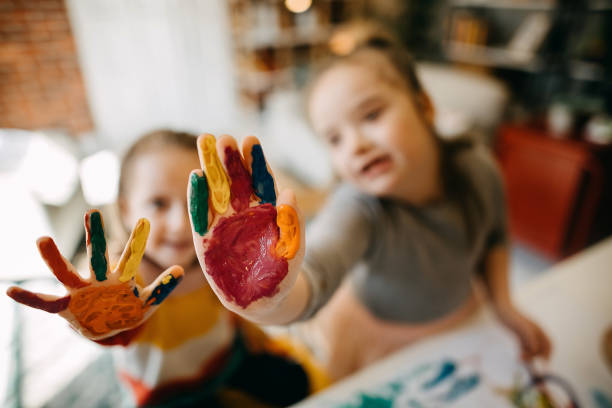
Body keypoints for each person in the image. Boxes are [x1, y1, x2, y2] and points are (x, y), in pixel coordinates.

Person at [187, 32, 552, 382]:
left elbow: (495, 237)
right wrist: (271, 300)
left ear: (423, 104)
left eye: (371, 115)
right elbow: (316, 271)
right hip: (379, 338)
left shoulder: (477, 166)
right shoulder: (359, 207)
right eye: (335, 138)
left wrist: (504, 303)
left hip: (459, 317)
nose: (355, 145)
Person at [8, 130, 316, 407]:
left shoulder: (219, 262)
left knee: (297, 380)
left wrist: (254, 330)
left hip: (225, 361)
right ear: (126, 210)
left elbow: (231, 311)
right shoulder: (123, 279)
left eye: (193, 200)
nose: (179, 224)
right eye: (158, 203)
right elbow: (116, 330)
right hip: (164, 394)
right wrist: (104, 325)